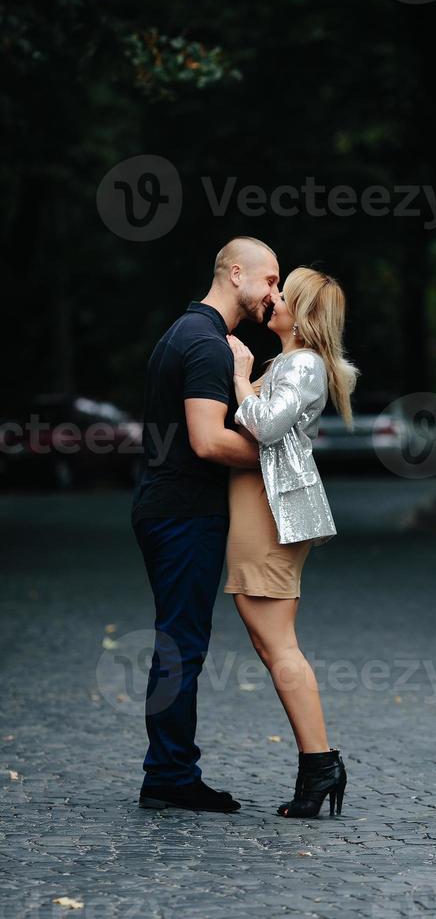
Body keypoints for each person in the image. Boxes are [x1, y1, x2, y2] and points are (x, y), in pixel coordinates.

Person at [132, 236, 280, 813]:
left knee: (178, 641)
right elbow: (208, 439)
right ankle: (168, 776)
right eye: (268, 280)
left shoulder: (189, 333)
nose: (274, 293)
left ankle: (167, 770)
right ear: (235, 272)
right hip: (182, 514)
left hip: (168, 507)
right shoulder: (204, 342)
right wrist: (283, 458)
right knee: (180, 644)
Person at [224, 267, 359, 818]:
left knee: (278, 645)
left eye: (282, 292)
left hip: (269, 513)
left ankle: (321, 764)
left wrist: (239, 375)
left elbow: (263, 427)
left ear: (302, 313)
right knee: (269, 642)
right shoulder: (294, 362)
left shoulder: (301, 364)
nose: (271, 298)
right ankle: (319, 764)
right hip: (263, 510)